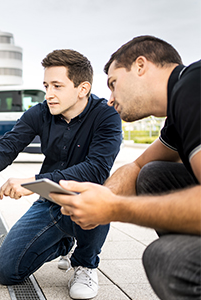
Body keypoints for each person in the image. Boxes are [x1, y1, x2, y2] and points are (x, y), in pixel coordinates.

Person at [0, 49, 122, 299]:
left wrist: (34, 183)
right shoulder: (40, 113)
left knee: (101, 195)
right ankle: (63, 242)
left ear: (82, 88)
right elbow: (7, 147)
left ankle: (85, 263)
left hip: (87, 196)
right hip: (49, 196)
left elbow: (96, 168)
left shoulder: (106, 116)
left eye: (57, 86)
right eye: (46, 85)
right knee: (7, 272)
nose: (49, 94)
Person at [50, 36, 201, 300]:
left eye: (113, 84)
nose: (110, 99)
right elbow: (139, 165)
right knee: (153, 174)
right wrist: (103, 198)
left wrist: (115, 209)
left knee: (166, 259)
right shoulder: (181, 102)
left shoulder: (193, 88)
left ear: (141, 66)